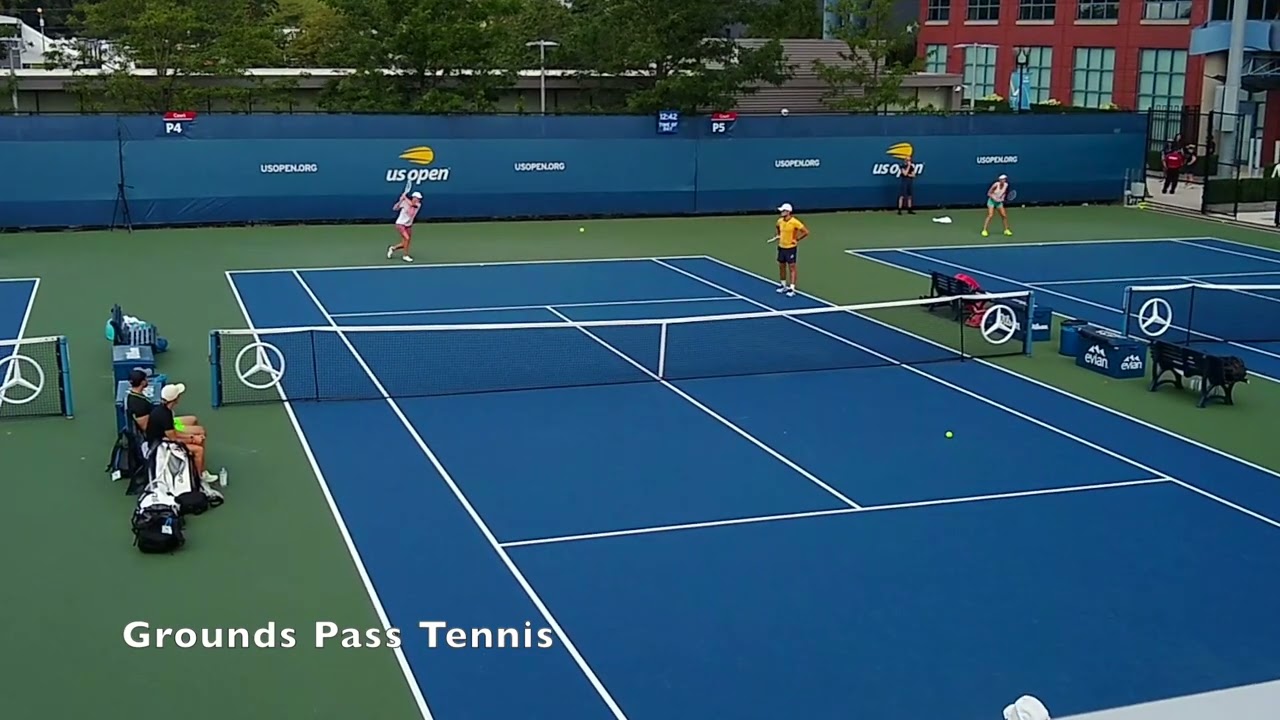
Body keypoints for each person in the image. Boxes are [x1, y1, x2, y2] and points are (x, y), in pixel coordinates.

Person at [145, 383, 225, 487]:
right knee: (198, 450)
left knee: (199, 437)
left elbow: (174, 433)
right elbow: (173, 438)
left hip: (164, 439)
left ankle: (199, 470)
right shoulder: (165, 415)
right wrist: (193, 438)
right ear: (176, 398)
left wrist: (193, 437)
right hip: (160, 447)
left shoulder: (164, 410)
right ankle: (199, 479)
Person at [125, 370, 204, 439]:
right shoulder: (138, 405)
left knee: (193, 419)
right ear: (142, 382)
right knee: (200, 431)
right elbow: (147, 428)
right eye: (145, 379)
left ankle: (189, 453)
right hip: (162, 428)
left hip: (164, 422)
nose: (147, 380)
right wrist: (168, 425)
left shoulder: (135, 395)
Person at [773, 202, 808, 297]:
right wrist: (779, 235)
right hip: (781, 247)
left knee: (792, 267)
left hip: (790, 248)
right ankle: (783, 285)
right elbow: (777, 228)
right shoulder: (779, 221)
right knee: (781, 266)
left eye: (783, 211)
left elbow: (805, 232)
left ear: (788, 212)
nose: (781, 212)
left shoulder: (795, 222)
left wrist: (796, 239)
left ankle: (792, 288)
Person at [387, 190, 422, 263]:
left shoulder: (418, 205)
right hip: (400, 224)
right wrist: (400, 201)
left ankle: (392, 248)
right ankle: (405, 256)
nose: (418, 200)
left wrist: (404, 197)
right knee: (407, 238)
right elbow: (395, 208)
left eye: (419, 198)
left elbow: (412, 204)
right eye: (417, 198)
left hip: (408, 225)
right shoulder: (405, 202)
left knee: (405, 243)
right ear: (413, 197)